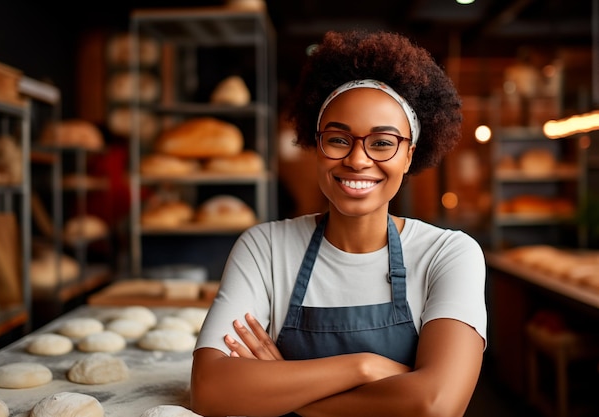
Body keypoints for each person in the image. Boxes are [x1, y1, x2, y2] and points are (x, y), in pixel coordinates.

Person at [190, 29, 487, 417]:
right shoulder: (265, 248)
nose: (358, 160)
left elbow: (435, 404)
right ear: (316, 145)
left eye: (382, 142)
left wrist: (289, 392)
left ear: (409, 156)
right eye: (338, 139)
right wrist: (365, 367)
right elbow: (211, 390)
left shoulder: (448, 254)